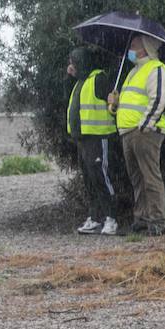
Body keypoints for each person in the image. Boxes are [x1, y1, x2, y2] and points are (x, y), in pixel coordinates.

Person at [109, 34, 165, 235]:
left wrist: (145, 125)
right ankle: (142, 219)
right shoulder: (132, 72)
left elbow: (159, 99)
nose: (130, 49)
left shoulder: (157, 69)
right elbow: (128, 104)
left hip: (145, 132)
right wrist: (114, 104)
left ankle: (158, 221)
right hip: (128, 132)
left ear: (145, 47)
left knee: (150, 177)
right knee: (137, 179)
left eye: (134, 45)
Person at [65, 48, 118, 236]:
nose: (70, 67)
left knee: (101, 177)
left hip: (97, 137)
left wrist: (115, 102)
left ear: (82, 62)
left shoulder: (99, 79)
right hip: (83, 139)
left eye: (74, 62)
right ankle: (95, 218)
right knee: (89, 180)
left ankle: (111, 219)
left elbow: (114, 105)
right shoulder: (82, 81)